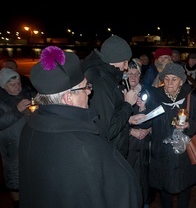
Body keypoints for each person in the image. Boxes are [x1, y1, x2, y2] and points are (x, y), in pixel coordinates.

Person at [18, 46, 142, 208]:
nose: (89, 92)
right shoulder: (87, 145)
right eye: (85, 88)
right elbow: (124, 194)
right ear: (69, 97)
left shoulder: (28, 128)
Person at [137, 63, 196, 208]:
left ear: (181, 81)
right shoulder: (155, 97)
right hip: (162, 153)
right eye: (167, 79)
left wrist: (189, 125)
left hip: (184, 154)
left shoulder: (189, 98)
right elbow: (144, 124)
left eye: (174, 79)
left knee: (184, 188)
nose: (169, 83)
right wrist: (142, 110)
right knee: (165, 190)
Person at [81, 35, 138, 158]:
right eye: (125, 61)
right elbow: (107, 130)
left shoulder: (107, 76)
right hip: (108, 154)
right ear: (116, 58)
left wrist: (127, 119)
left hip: (113, 152)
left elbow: (110, 115)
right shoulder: (99, 80)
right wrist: (127, 105)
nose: (126, 67)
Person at [0, 68, 36, 208]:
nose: (17, 87)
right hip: (12, 148)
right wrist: (17, 111)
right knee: (15, 181)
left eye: (18, 83)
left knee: (31, 179)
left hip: (30, 144)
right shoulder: (2, 100)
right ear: (3, 85)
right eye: (12, 84)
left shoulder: (27, 94)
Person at [125, 58, 155, 207]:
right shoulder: (120, 92)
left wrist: (144, 110)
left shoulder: (146, 92)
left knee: (144, 179)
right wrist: (132, 131)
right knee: (128, 180)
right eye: (130, 74)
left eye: (136, 74)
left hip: (143, 146)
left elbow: (152, 118)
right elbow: (113, 121)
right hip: (127, 146)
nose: (133, 77)